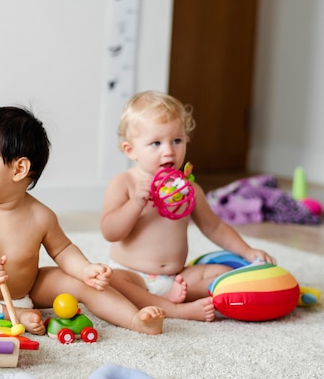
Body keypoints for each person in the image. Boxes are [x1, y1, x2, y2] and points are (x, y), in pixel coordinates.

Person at [0, 106, 165, 336]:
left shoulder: (41, 215)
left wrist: (86, 270)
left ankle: (135, 319)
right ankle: (14, 314)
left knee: (85, 284)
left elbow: (63, 250)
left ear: (19, 169)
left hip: (33, 285)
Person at [100, 90, 276, 322]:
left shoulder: (188, 189)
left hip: (176, 276)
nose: (169, 150)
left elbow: (214, 227)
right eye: (156, 143)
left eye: (177, 140)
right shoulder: (124, 183)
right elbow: (110, 232)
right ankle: (177, 310)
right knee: (110, 281)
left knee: (225, 274)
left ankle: (185, 294)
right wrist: (135, 204)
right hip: (133, 274)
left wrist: (247, 251)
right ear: (130, 150)